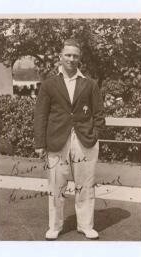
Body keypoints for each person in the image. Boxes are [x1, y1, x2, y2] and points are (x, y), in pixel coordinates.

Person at [34, 39, 105, 240]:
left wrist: (96, 133)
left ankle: (85, 225)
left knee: (85, 184)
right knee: (56, 185)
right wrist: (40, 144)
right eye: (68, 55)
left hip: (85, 141)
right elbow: (40, 115)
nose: (71, 59)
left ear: (79, 59)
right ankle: (55, 226)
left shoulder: (90, 84)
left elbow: (99, 113)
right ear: (60, 57)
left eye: (75, 56)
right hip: (57, 140)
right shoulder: (49, 84)